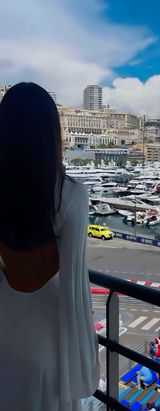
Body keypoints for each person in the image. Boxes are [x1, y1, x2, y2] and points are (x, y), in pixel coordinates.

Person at [0, 83, 100, 411]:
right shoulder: (71, 195)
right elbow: (75, 287)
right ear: (50, 133)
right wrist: (82, 369)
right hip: (48, 337)